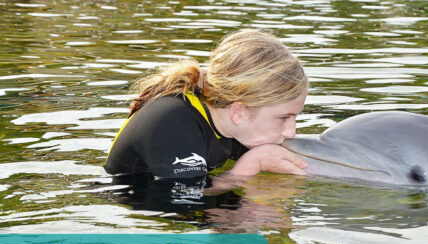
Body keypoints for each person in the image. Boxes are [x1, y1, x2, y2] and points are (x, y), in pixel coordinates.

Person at [104, 29, 309, 180]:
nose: (291, 131)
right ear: (239, 112)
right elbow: (185, 207)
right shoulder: (172, 121)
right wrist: (252, 165)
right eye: (284, 118)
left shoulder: (231, 127)